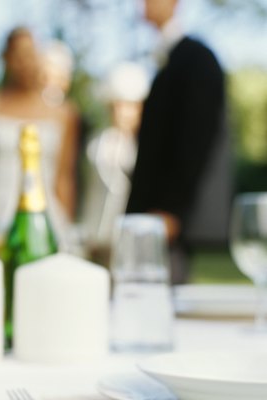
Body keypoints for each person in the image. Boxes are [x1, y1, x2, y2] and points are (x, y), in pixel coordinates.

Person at [126, 0, 228, 283]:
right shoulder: (168, 60)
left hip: (166, 221)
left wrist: (172, 208)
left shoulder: (196, 59)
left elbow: (196, 138)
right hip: (150, 219)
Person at [0, 28, 79, 248]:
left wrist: (67, 229)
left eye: (31, 54)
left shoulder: (63, 114)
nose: (25, 62)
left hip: (45, 217)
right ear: (6, 58)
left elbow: (64, 178)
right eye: (18, 55)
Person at [82, 62, 149, 265]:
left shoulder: (143, 148)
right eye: (118, 106)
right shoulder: (97, 143)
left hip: (130, 237)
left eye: (131, 106)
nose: (123, 113)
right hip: (97, 235)